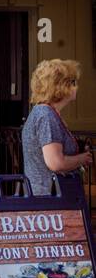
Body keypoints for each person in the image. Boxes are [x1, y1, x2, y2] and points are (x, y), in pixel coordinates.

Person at [22, 58, 91, 198]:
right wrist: (82, 159)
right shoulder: (46, 115)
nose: (76, 87)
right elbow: (56, 163)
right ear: (60, 86)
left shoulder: (44, 113)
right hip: (51, 200)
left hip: (47, 197)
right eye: (73, 82)